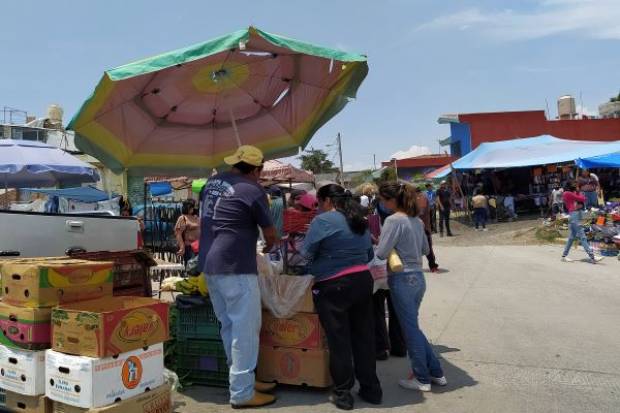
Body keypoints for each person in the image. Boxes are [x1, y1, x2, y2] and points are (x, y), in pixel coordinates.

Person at [198, 145, 278, 409]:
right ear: (256, 169)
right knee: (244, 330)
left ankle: (242, 382)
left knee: (230, 328)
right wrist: (270, 246)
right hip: (235, 266)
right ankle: (242, 393)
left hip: (209, 264)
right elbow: (270, 233)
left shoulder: (211, 183)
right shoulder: (252, 189)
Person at [302, 184, 382, 410]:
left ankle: (343, 393)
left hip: (333, 285)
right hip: (362, 281)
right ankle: (372, 389)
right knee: (363, 337)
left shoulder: (322, 221)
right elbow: (368, 254)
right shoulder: (359, 219)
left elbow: (305, 252)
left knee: (339, 341)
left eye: (318, 203)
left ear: (327, 200)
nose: (318, 208)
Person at [376, 183, 446, 392]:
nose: (381, 203)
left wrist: (383, 244)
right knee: (413, 328)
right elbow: (425, 248)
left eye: (382, 199)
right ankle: (436, 372)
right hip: (418, 277)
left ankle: (422, 378)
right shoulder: (415, 220)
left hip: (402, 278)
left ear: (391, 200)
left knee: (410, 331)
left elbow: (381, 253)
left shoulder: (392, 220)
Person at [561, 183, 603, 264]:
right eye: (576, 186)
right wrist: (578, 193)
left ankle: (564, 256)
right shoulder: (567, 193)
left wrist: (578, 192)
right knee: (582, 237)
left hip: (574, 215)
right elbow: (583, 199)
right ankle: (592, 257)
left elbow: (581, 198)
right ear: (571, 186)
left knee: (571, 238)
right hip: (574, 216)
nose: (577, 187)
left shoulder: (569, 194)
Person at [415, 186, 440, 272]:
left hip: (422, 227)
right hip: (423, 226)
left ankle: (432, 265)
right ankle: (432, 265)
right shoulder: (422, 197)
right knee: (427, 247)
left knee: (426, 247)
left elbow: (420, 212)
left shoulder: (420, 198)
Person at [175, 199, 200, 266]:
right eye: (191, 207)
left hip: (199, 246)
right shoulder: (182, 218)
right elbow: (178, 233)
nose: (193, 208)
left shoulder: (196, 217)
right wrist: (182, 247)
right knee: (191, 268)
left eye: (193, 206)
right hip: (190, 247)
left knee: (199, 269)